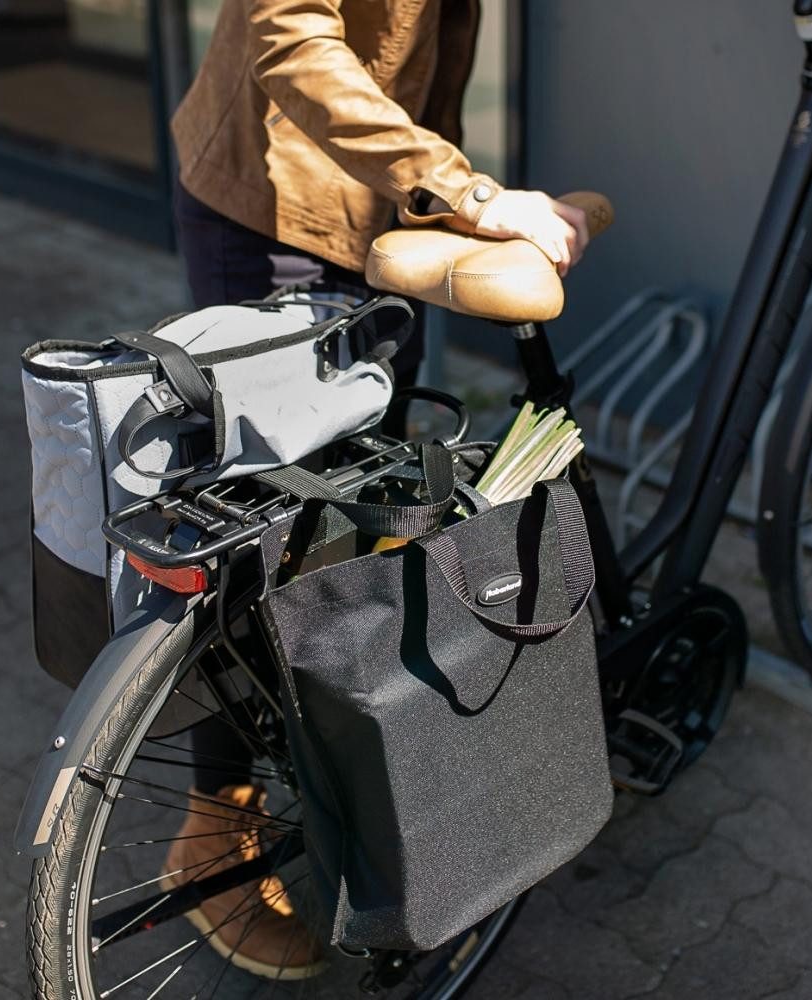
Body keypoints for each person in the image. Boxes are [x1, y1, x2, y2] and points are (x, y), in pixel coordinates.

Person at [164, 0, 590, 980]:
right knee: (263, 542)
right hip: (282, 208)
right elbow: (290, 34)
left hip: (385, 212)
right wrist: (469, 191)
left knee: (358, 530)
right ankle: (212, 830)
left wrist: (444, 195)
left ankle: (351, 789)